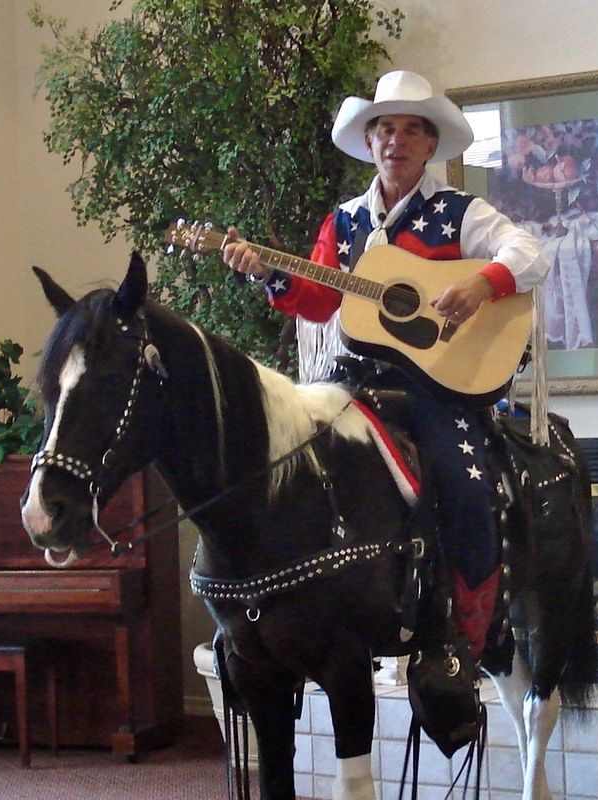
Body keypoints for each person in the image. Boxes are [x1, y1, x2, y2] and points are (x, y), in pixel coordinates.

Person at [222, 70, 548, 661]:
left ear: (430, 145)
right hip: (355, 383)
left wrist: (481, 283)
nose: (395, 141)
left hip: (438, 387)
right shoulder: (343, 222)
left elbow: (529, 252)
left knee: (466, 488)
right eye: (385, 130)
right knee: (300, 464)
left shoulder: (458, 212)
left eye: (410, 131)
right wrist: (268, 272)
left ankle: (470, 636)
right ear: (369, 144)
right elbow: (320, 300)